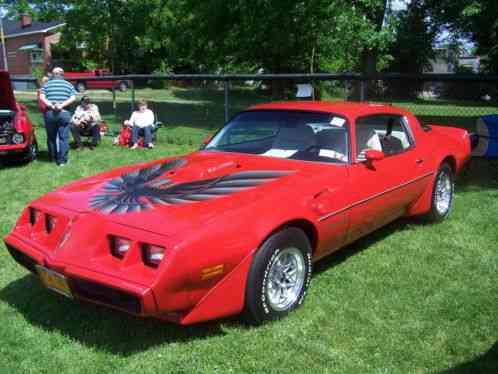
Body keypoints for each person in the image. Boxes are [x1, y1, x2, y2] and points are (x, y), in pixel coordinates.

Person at [39, 67, 76, 166]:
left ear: (53, 74)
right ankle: (63, 160)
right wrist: (62, 105)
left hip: (50, 113)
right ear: (63, 74)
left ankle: (52, 157)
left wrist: (51, 105)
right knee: (64, 137)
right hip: (64, 113)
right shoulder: (68, 85)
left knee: (51, 137)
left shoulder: (46, 85)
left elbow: (42, 97)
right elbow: (73, 97)